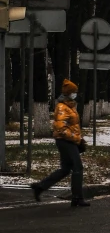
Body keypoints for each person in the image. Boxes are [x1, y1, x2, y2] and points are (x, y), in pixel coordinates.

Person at [31, 79, 90, 207]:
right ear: (69, 93)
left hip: (68, 140)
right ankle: (77, 198)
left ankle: (40, 187)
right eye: (74, 92)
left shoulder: (70, 106)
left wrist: (78, 138)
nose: (76, 94)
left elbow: (71, 125)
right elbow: (61, 128)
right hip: (65, 141)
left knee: (65, 169)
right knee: (77, 167)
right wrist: (76, 139)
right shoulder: (62, 107)